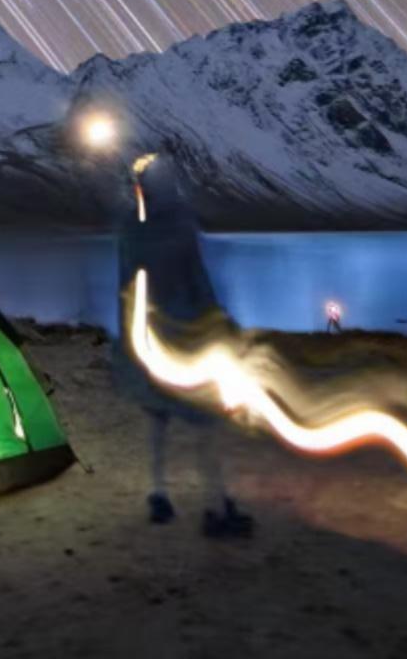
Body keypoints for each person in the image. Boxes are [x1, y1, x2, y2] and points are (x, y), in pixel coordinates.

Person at [110, 149, 253, 537]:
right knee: (204, 423)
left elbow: (126, 287)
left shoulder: (129, 228)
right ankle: (217, 506)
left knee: (157, 418)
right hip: (187, 338)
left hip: (148, 339)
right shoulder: (180, 225)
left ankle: (159, 495)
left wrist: (127, 339)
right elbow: (198, 281)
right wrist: (219, 323)